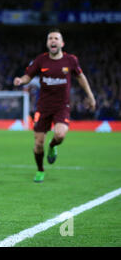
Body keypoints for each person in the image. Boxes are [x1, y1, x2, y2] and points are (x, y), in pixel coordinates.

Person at [13, 29, 96, 183]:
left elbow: (81, 77)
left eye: (56, 38)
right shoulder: (41, 60)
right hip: (43, 107)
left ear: (62, 43)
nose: (53, 40)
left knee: (60, 135)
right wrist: (21, 80)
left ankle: (52, 146)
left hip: (62, 106)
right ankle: (40, 170)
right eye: (50, 38)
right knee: (38, 144)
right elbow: (28, 76)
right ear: (47, 43)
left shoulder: (70, 60)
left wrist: (90, 96)